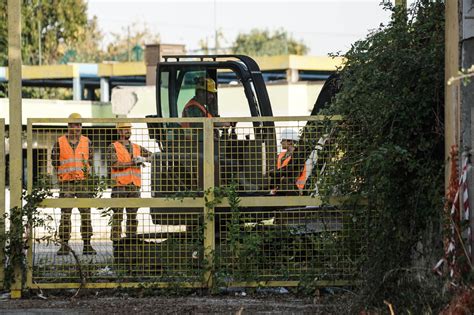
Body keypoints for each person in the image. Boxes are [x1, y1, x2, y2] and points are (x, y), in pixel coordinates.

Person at [51, 113, 96, 255]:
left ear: (81, 127)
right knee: (65, 214)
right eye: (72, 125)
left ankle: (87, 245)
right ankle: (64, 245)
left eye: (78, 125)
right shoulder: (59, 142)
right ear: (68, 126)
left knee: (86, 214)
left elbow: (91, 161)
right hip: (66, 184)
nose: (75, 128)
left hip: (83, 183)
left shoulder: (87, 142)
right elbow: (55, 162)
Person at [108, 122, 152, 248]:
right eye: (125, 129)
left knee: (133, 216)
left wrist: (143, 159)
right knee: (118, 216)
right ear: (119, 132)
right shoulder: (113, 147)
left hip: (134, 186)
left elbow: (154, 157)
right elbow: (115, 164)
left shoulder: (137, 147)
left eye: (128, 129)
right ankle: (116, 244)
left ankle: (131, 242)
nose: (128, 131)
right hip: (119, 186)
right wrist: (132, 163)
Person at [269, 128, 308, 195]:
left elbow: (299, 174)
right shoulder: (281, 156)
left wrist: (300, 187)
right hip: (280, 187)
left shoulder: (298, 157)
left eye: (283, 140)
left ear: (290, 142)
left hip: (293, 187)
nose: (281, 142)